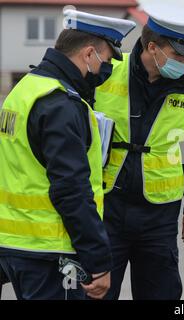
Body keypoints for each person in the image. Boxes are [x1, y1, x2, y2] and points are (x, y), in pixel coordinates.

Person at [0, 10, 135, 300]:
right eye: (107, 61)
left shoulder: (24, 89)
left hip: (14, 245)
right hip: (50, 252)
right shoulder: (60, 103)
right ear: (89, 54)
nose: (107, 69)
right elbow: (71, 190)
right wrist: (99, 262)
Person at [93, 3, 184, 300]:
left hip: (159, 216)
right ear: (152, 47)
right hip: (107, 206)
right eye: (178, 55)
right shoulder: (107, 72)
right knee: (94, 293)